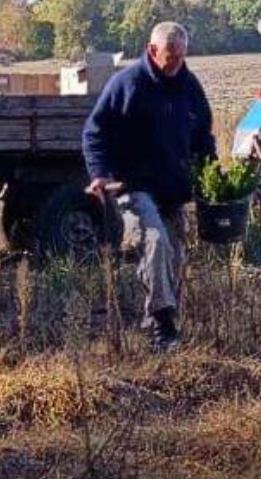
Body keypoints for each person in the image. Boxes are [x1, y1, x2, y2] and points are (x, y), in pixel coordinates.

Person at [82, 21, 217, 352]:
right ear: (152, 50)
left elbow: (203, 136)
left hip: (173, 188)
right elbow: (94, 133)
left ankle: (158, 317)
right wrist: (99, 173)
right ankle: (163, 325)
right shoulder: (127, 84)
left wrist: (212, 176)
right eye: (170, 57)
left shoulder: (189, 86)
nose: (175, 65)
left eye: (181, 58)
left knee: (175, 256)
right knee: (155, 243)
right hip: (133, 185)